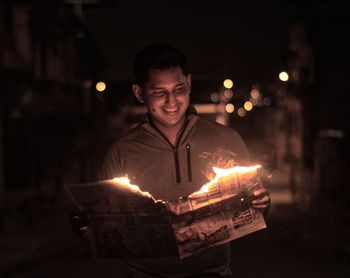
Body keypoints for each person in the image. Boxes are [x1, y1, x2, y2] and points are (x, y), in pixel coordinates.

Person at [97, 43, 270, 277]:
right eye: (159, 92)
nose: (172, 101)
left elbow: (249, 207)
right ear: (139, 93)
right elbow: (103, 220)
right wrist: (85, 224)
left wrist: (261, 204)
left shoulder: (226, 139)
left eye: (179, 89)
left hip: (213, 273)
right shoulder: (122, 152)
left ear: (188, 83)